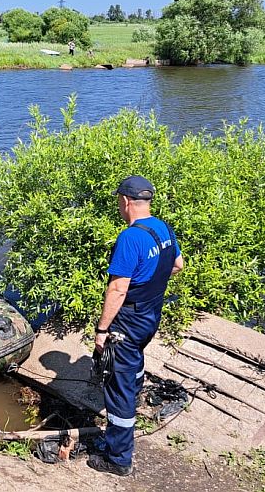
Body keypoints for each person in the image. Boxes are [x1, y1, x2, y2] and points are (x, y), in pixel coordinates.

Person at [88, 176, 184, 476]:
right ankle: (135, 394)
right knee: (134, 366)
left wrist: (102, 331)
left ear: (125, 201)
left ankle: (118, 458)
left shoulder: (130, 237)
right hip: (151, 315)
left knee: (119, 387)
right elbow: (178, 265)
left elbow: (117, 289)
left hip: (127, 322)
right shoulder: (163, 228)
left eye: (119, 201)